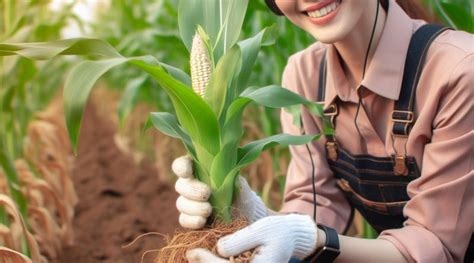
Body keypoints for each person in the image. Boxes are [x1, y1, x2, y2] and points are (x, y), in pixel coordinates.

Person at [172, 0, 474, 262]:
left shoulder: (458, 71)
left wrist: (317, 241)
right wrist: (251, 213)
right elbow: (317, 208)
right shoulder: (304, 76)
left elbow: (437, 248)